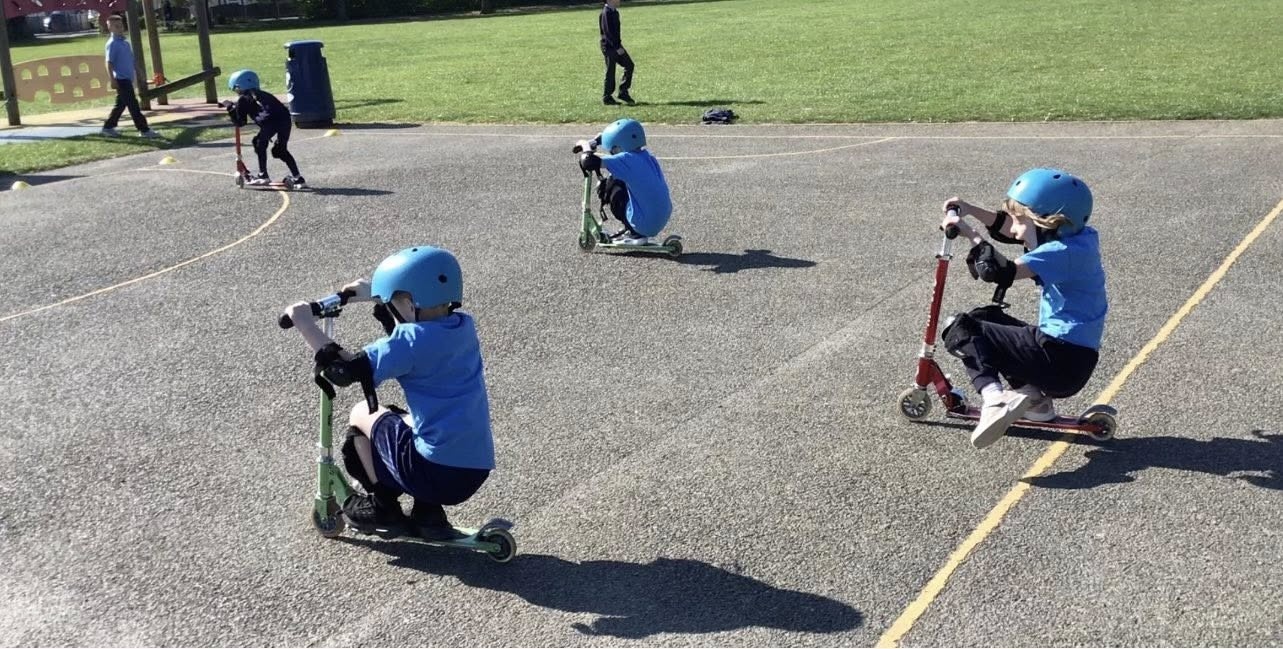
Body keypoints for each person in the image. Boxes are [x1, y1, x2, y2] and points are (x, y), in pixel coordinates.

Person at [282, 246, 496, 540]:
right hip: (473, 469)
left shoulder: (409, 342)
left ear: (408, 302)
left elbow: (344, 371)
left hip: (435, 473)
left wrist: (305, 323)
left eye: (393, 301)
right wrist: (378, 296)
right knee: (405, 419)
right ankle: (428, 514)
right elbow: (408, 335)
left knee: (362, 413)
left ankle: (383, 507)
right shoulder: (462, 327)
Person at [940, 168, 1108, 449]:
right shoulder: (1077, 240)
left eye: (1021, 222)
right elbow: (1008, 228)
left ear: (1050, 224)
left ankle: (995, 400)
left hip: (1059, 361)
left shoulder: (1061, 253)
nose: (1016, 231)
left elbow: (999, 271)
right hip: (1067, 357)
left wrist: (971, 234)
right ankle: (1035, 403)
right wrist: (968, 209)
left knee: (961, 327)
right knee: (985, 317)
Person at [578, 118, 672, 245]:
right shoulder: (646, 156)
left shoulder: (627, 160)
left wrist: (585, 146)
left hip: (644, 224)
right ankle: (635, 228)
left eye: (613, 149)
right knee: (622, 181)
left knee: (608, 187)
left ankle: (635, 232)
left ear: (618, 147)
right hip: (660, 217)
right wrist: (598, 140)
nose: (612, 153)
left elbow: (588, 162)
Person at [221, 69, 306, 188]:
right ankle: (298, 178)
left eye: (236, 89)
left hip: (270, 121)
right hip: (285, 119)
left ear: (241, 86)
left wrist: (230, 108)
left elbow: (240, 122)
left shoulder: (244, 98)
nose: (237, 92)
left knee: (259, 143)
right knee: (280, 150)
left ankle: (263, 175)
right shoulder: (263, 94)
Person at [100, 15, 160, 139]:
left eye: (121, 25)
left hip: (128, 79)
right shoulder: (112, 44)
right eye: (116, 26)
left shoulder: (125, 43)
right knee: (133, 105)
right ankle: (144, 130)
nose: (120, 28)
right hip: (121, 80)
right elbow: (108, 63)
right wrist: (112, 80)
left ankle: (108, 127)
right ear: (110, 28)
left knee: (120, 105)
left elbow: (132, 60)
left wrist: (140, 72)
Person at [599, 0, 636, 106]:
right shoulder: (606, 12)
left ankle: (623, 92)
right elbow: (608, 33)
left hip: (616, 45)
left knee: (629, 65)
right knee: (611, 71)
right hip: (609, 47)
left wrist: (618, 45)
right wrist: (617, 47)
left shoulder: (615, 12)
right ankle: (607, 97)